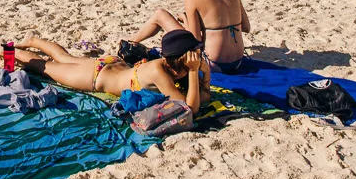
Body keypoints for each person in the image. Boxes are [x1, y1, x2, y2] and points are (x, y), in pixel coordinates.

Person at [12, 30, 210, 112]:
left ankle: (34, 41)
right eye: (195, 51)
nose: (199, 54)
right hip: (95, 77)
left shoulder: (173, 67)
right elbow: (190, 108)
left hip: (110, 65)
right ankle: (7, 51)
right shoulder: (160, 72)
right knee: (44, 67)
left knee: (65, 59)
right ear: (184, 57)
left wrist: (205, 75)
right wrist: (194, 73)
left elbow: (202, 98)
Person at [129, 0, 251, 74]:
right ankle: (131, 43)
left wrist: (186, 19)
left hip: (213, 63)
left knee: (160, 14)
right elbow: (246, 27)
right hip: (237, 62)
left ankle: (129, 44)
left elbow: (193, 41)